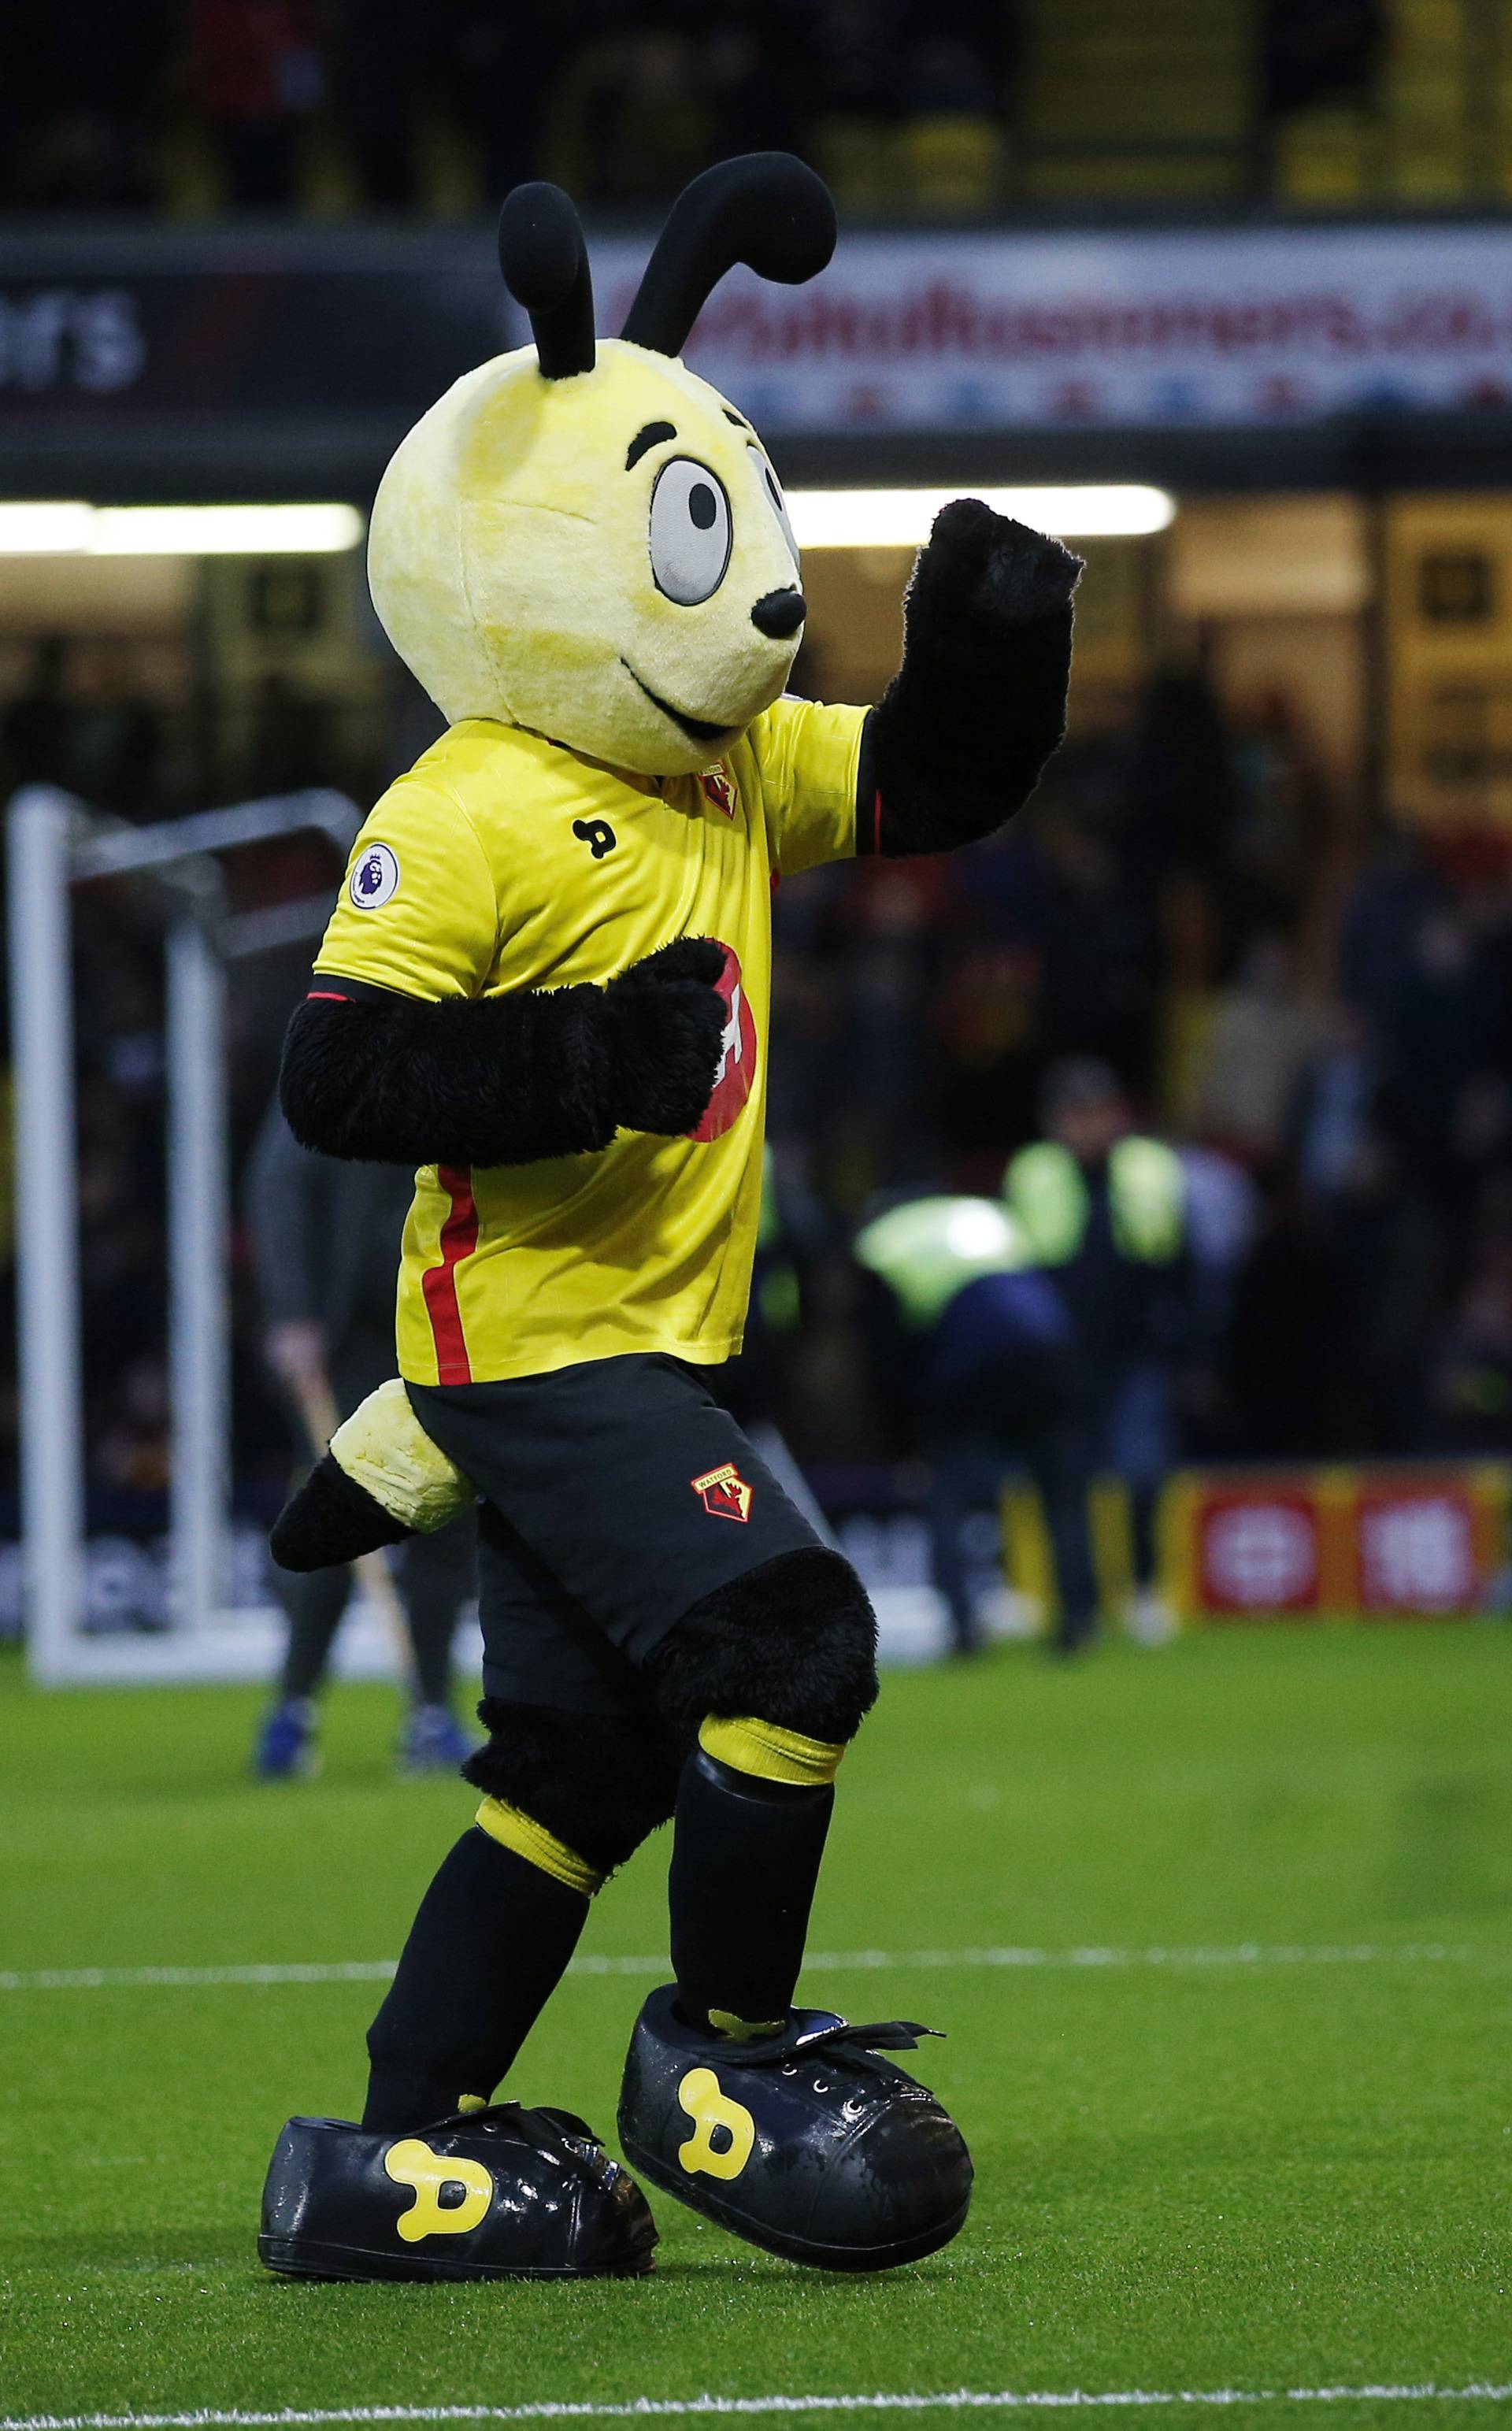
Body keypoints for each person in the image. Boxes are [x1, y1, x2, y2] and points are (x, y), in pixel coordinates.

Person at [256, 154, 1078, 2284]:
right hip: (536, 1341)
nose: (761, 589)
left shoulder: (719, 770)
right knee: (791, 1638)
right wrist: (590, 1054)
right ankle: (720, 2049)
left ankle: (393, 2148)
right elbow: (336, 1077)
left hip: (644, 1337)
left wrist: (992, 638)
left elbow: (919, 787)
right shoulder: (465, 804)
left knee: (578, 1761)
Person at [246, 1099, 476, 1778]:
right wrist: (292, 1311)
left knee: (447, 1521)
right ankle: (291, 1712)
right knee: (338, 1515)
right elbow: (278, 1184)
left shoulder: (471, 1054)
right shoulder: (346, 1048)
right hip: (353, 1338)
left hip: (450, 1330)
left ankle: (432, 1712)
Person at [854, 1192, 1095, 1655]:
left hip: (972, 1370)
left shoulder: (883, 1245)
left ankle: (964, 1631)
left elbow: (888, 1356)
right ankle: (1078, 1623)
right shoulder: (987, 1216)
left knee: (947, 1495)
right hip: (1052, 1355)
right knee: (1061, 1496)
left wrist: (908, 1437)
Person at [1005, 1059, 1194, 1642]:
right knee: (1065, 1484)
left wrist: (1183, 1343)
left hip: (1136, 1352)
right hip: (1062, 1358)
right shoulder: (1033, 1173)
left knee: (1143, 1472)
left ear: (1119, 1115)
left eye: (1096, 1111)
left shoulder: (1152, 1169)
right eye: (1073, 1114)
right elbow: (1019, 1268)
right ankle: (1072, 1605)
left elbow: (1181, 1264)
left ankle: (1143, 1588)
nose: (1085, 1126)